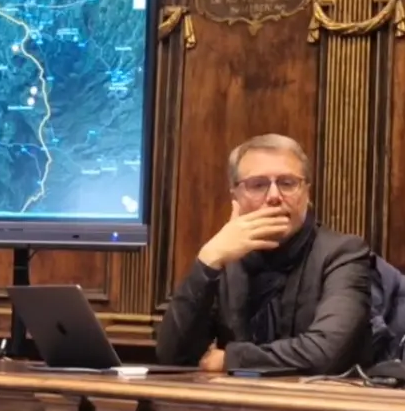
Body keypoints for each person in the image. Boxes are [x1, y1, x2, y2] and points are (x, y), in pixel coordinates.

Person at [155, 134, 376, 375]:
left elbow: (325, 353)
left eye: (287, 183)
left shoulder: (343, 254)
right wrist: (208, 261)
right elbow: (172, 356)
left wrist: (230, 359)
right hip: (231, 397)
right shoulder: (226, 258)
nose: (273, 197)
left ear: (307, 193)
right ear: (235, 197)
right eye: (258, 185)